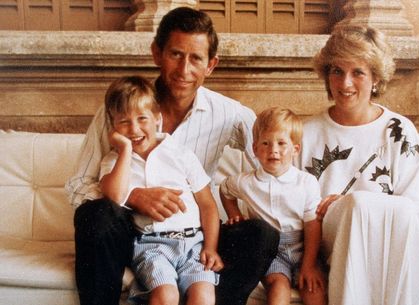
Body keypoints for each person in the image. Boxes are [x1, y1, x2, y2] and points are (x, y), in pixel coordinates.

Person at [66, 7, 279, 305]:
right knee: (94, 214)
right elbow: (78, 187)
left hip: (193, 236)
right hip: (135, 234)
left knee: (260, 234)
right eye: (176, 55)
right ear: (156, 53)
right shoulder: (120, 113)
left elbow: (274, 166)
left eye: (196, 59)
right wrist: (134, 195)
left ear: (211, 65)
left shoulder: (230, 114)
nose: (184, 70)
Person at [297, 25, 419, 305]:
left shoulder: (398, 131)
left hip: (385, 250)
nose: (345, 83)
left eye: (357, 72)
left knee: (357, 205)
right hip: (325, 249)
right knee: (354, 207)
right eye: (337, 71)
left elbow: (415, 214)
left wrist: (348, 204)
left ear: (375, 78)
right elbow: (293, 207)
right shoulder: (306, 133)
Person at [99, 75, 223, 305]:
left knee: (204, 297)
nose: (134, 129)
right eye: (124, 122)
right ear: (113, 125)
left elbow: (207, 204)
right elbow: (114, 196)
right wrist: (125, 149)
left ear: (158, 118)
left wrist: (210, 247)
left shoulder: (181, 154)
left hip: (194, 244)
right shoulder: (114, 161)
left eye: (142, 118)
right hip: (153, 246)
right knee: (166, 296)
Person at [220, 107, 326, 305]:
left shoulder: (306, 182)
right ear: (255, 149)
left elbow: (312, 225)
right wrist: (234, 215)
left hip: (302, 246)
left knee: (313, 286)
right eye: (266, 143)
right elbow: (225, 191)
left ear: (295, 149)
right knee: (278, 285)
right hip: (272, 251)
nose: (273, 150)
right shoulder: (246, 182)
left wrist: (309, 264)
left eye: (281, 143)